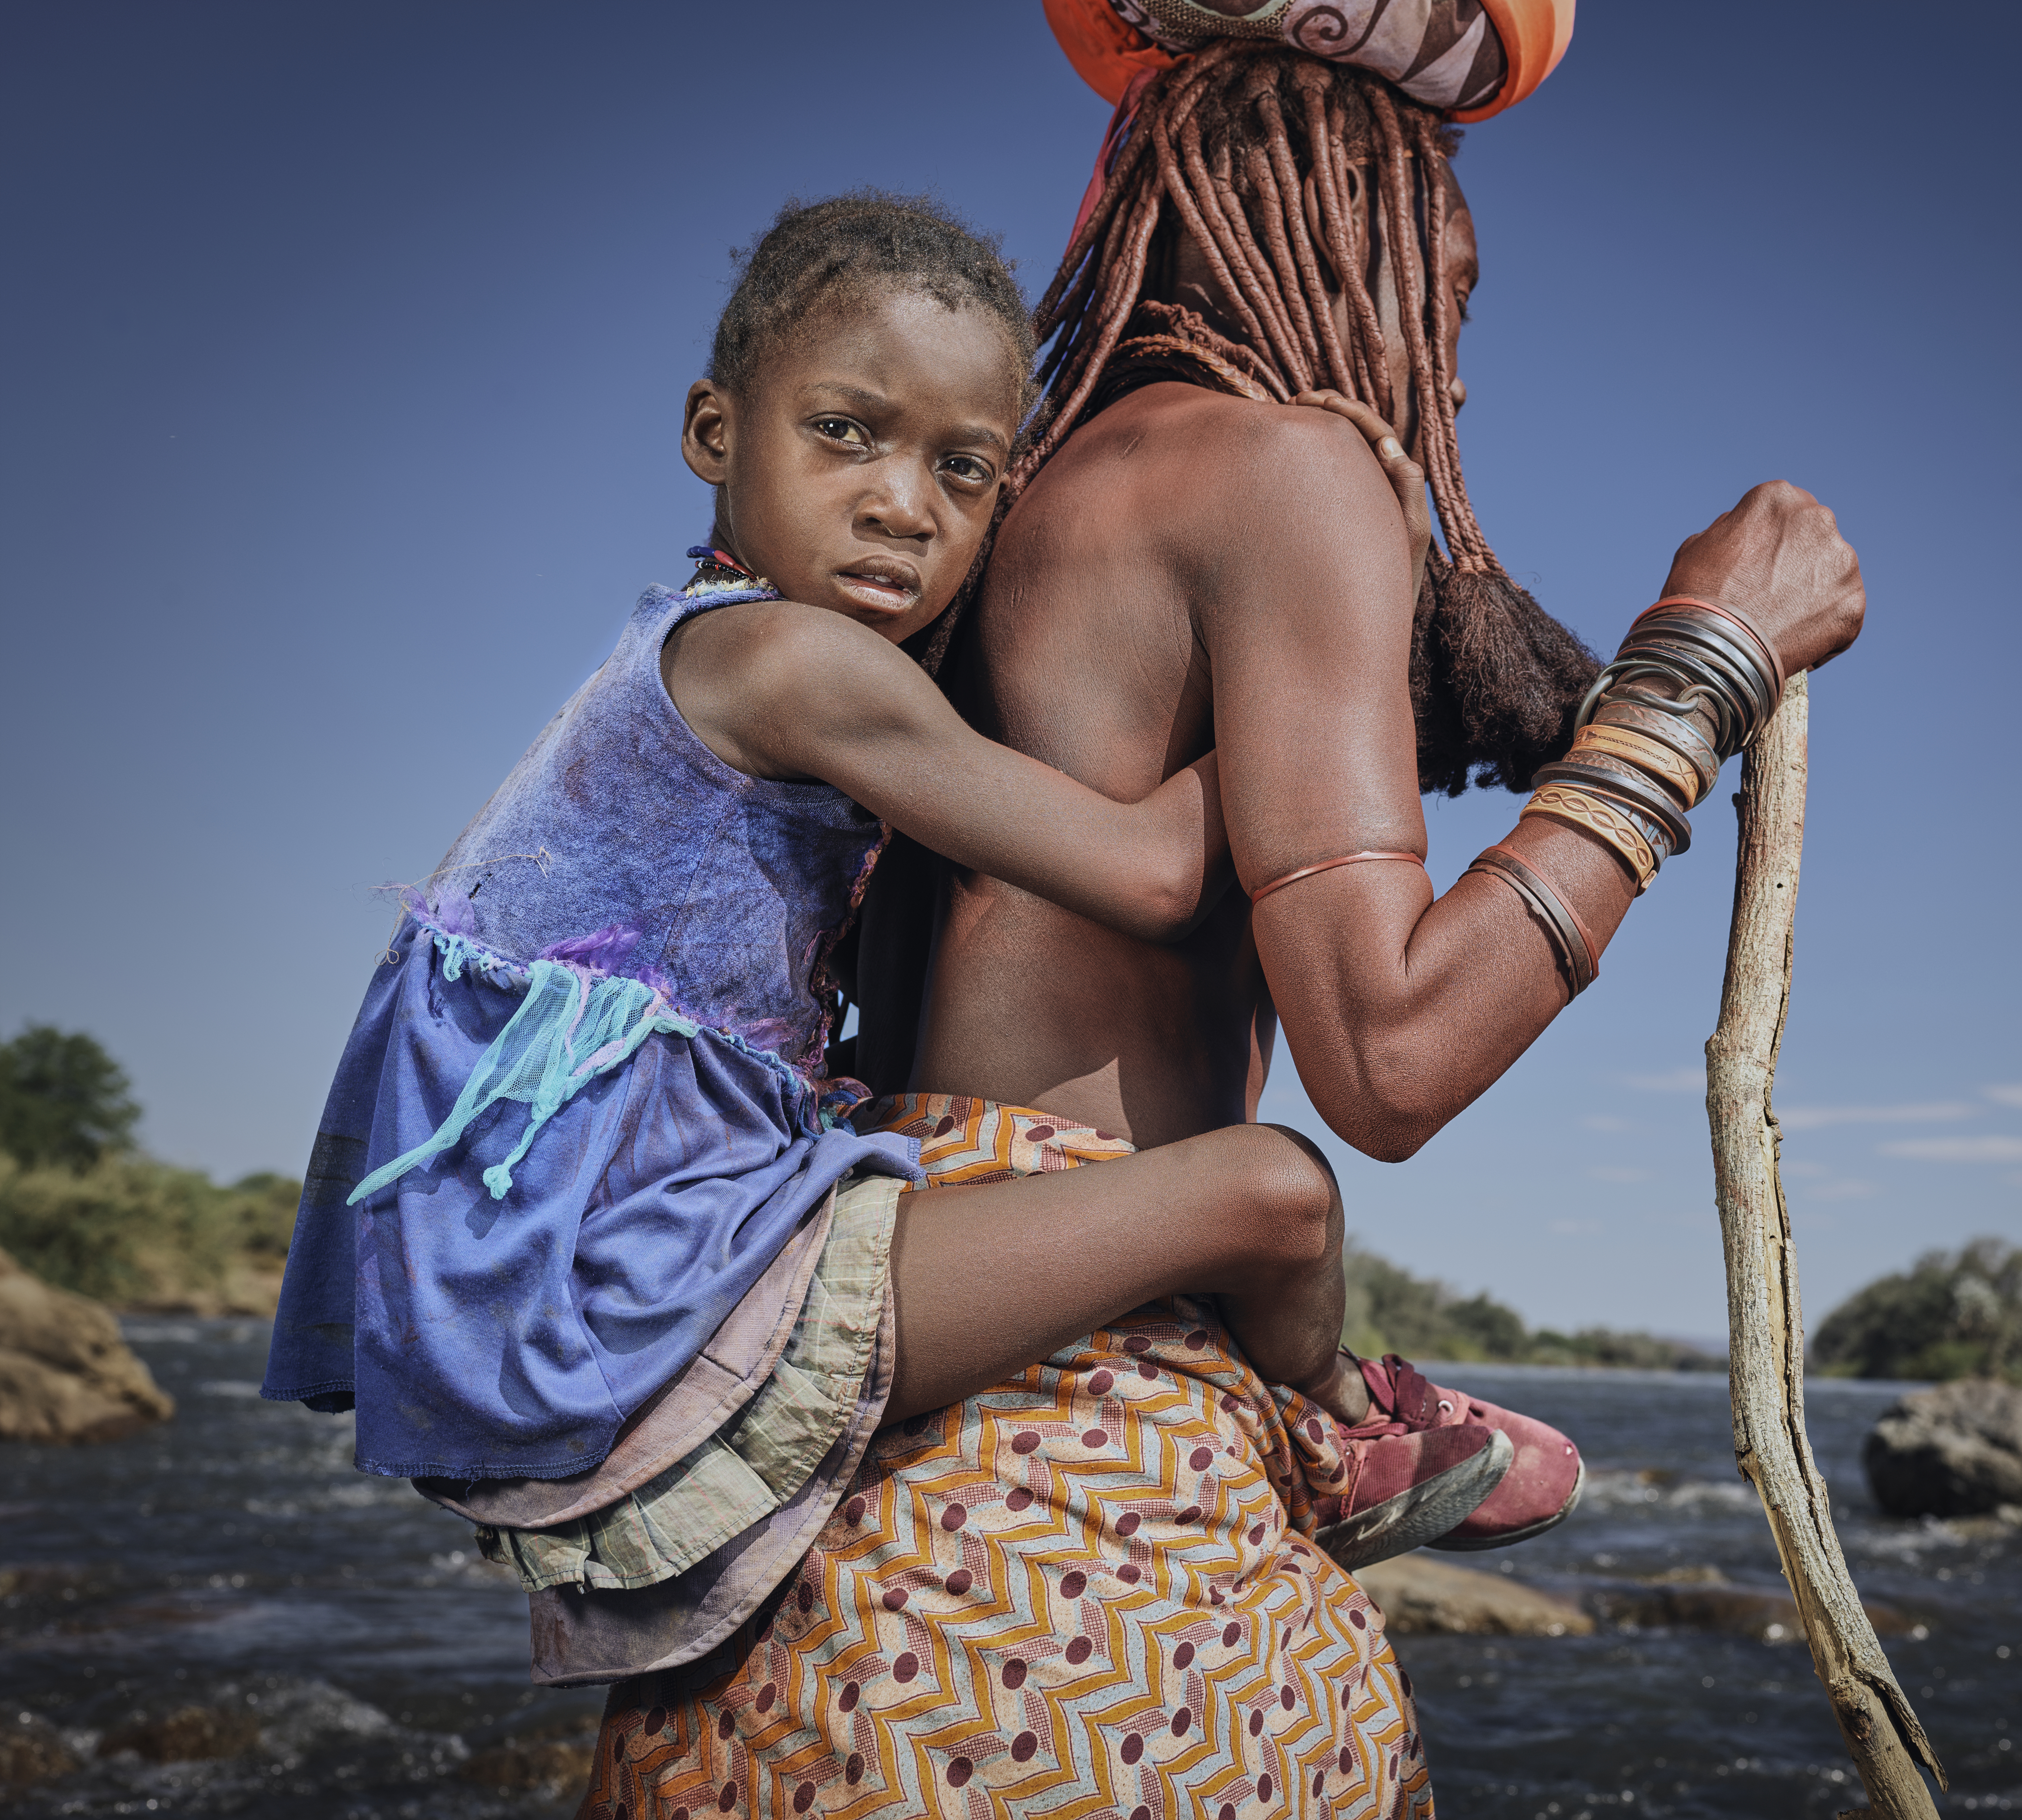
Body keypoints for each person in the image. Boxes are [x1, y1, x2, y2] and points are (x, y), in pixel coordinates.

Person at [580, 6, 1861, 1818]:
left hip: (823, 1509)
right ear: (1356, 243)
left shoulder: (981, 513)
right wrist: (1699, 671)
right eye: (1450, 294)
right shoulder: (1287, 472)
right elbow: (1392, 1056)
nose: (1459, 376)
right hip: (1079, 1532)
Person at [260, 191, 1547, 1688]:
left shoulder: (728, 643)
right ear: (714, 431)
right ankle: (1341, 1422)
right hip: (630, 1254)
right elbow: (1138, 869)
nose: (902, 505)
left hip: (593, 1230)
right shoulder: (793, 661)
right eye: (846, 434)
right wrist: (1328, 674)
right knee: (1276, 1187)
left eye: (962, 468)